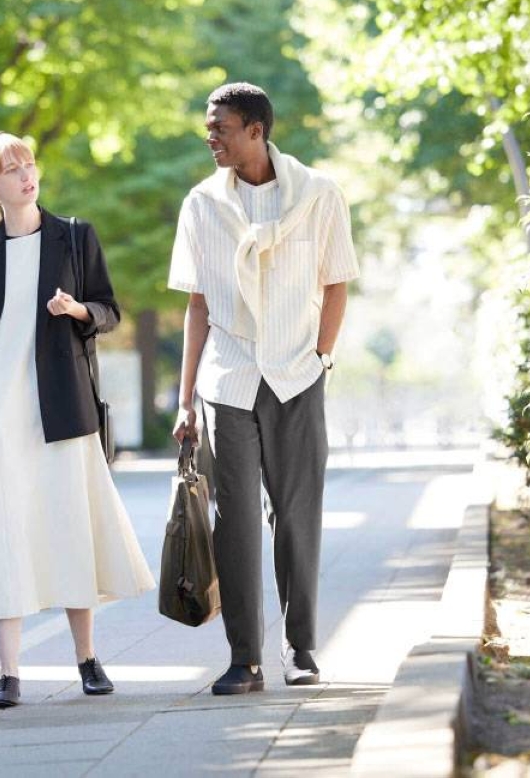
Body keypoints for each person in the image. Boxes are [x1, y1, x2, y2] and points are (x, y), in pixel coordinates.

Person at [0, 131, 155, 709]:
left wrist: (78, 309)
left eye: (29, 164)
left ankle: (87, 659)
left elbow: (110, 309)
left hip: (63, 406)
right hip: (1, 414)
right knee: (1, 533)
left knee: (70, 527)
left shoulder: (74, 236)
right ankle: (9, 673)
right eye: (11, 170)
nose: (25, 175)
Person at [168, 83, 359, 695]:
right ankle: (243, 659)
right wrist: (184, 398)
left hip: (298, 375)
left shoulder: (319, 195)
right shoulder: (201, 204)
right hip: (228, 378)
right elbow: (197, 305)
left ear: (256, 130)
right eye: (209, 126)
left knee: (298, 517)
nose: (210, 137)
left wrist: (322, 357)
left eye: (220, 126)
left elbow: (337, 284)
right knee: (236, 521)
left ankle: (300, 648)